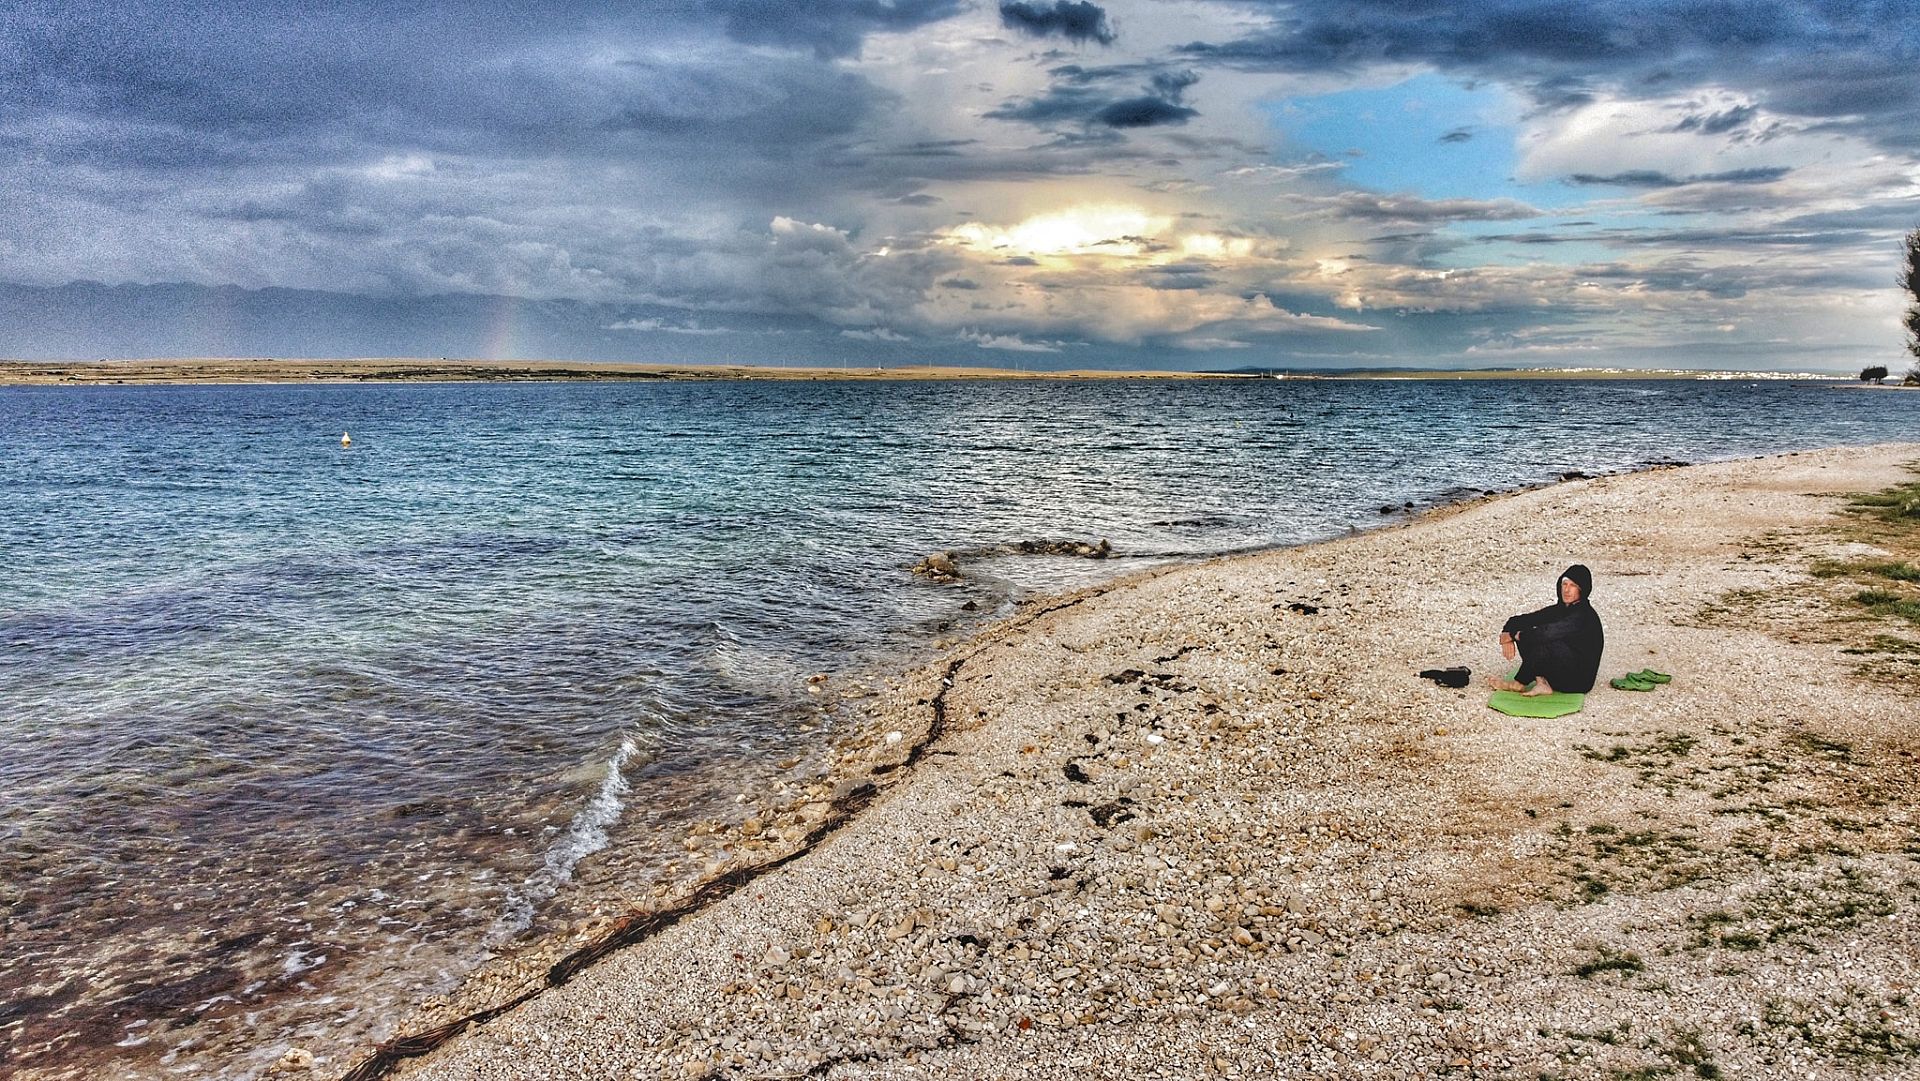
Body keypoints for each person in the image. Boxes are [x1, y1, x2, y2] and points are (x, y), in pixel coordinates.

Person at [1488, 564, 1604, 696]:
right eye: (1564, 584)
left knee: (1543, 638)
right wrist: (1506, 635)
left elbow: (1546, 634)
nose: (1567, 590)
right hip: (1559, 675)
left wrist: (1514, 635)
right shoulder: (1560, 609)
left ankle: (1519, 683)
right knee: (1530, 631)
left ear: (1582, 590)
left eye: (1573, 586)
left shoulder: (1583, 615)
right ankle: (1542, 683)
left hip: (1578, 681)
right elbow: (1520, 620)